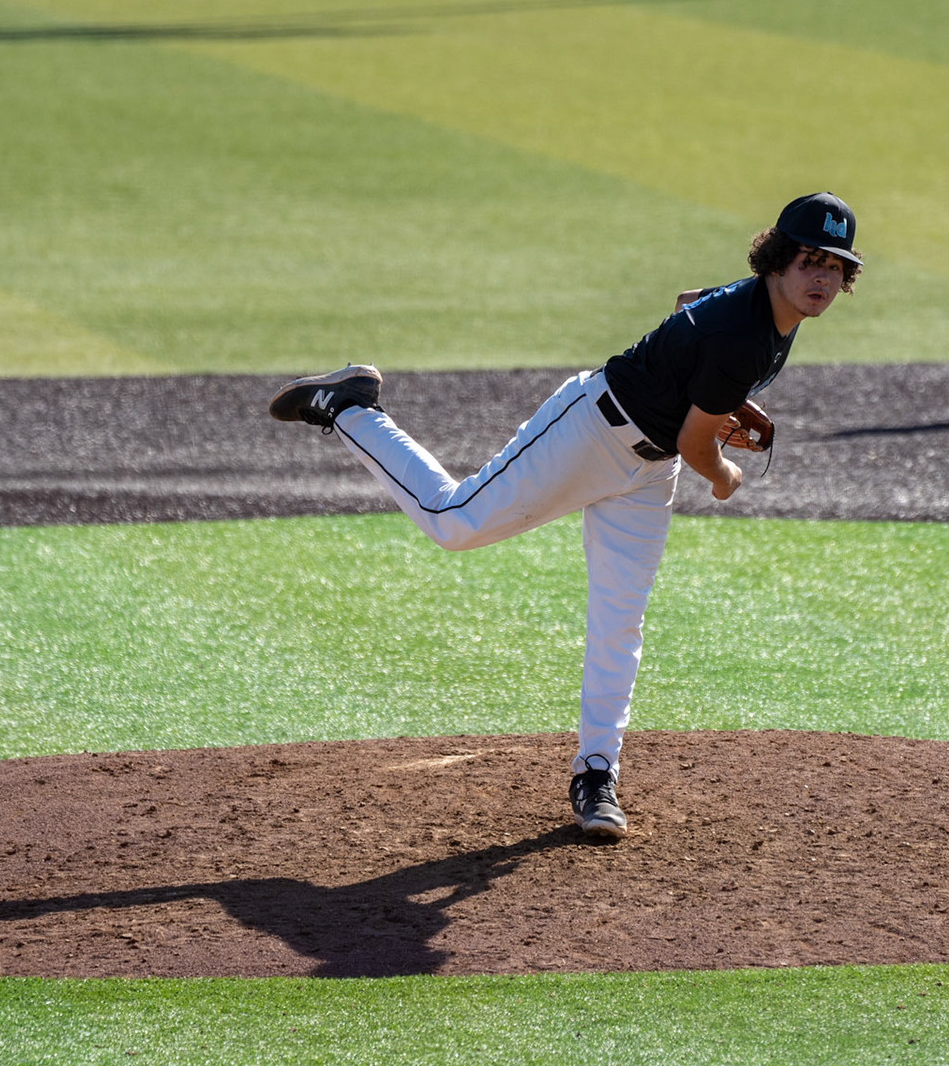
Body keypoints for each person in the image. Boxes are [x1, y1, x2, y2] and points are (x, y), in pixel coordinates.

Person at [267, 193, 861, 838]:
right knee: (454, 521)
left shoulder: (763, 308)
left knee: (620, 619)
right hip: (589, 432)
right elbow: (699, 446)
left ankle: (596, 772)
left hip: (647, 470)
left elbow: (688, 302)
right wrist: (725, 476)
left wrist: (702, 384)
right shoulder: (743, 336)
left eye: (834, 266)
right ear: (777, 260)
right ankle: (351, 407)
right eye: (809, 261)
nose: (822, 279)